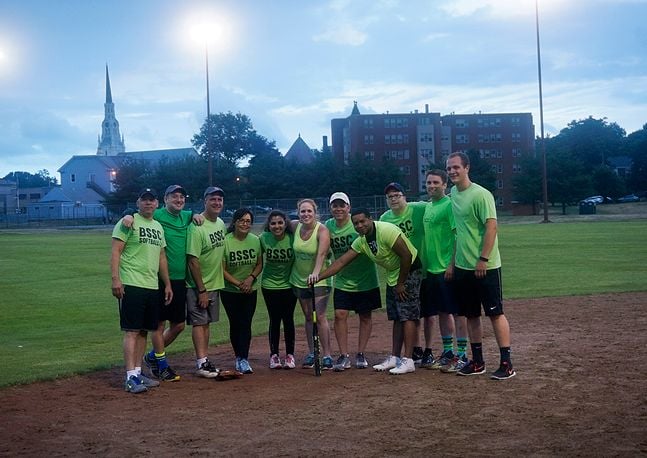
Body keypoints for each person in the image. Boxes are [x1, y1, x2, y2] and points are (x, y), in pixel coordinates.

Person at [310, 208, 422, 375]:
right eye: (356, 223)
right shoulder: (362, 241)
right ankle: (395, 357)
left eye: (363, 221)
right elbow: (341, 262)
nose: (360, 225)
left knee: (407, 315)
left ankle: (408, 360)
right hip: (394, 275)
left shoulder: (386, 230)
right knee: (397, 316)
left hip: (409, 271)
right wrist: (318, 277)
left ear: (370, 219)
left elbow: (406, 255)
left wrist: (401, 283)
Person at [122, 184, 204, 382]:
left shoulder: (186, 216)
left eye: (181, 197)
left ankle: (151, 357)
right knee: (157, 325)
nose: (178, 200)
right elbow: (141, 211)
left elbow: (192, 213)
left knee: (178, 325)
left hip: (178, 279)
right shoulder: (157, 214)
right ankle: (161, 364)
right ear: (165, 200)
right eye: (174, 196)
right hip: (157, 279)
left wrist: (195, 214)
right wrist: (128, 214)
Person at [446, 151, 516, 380]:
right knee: (471, 315)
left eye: (456, 167)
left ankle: (506, 363)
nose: (452, 172)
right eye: (449, 168)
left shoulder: (481, 194)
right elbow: (458, 233)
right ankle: (477, 362)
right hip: (463, 266)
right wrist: (454, 263)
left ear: (467, 168)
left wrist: (483, 259)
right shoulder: (453, 194)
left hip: (485, 266)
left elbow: (492, 227)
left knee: (495, 313)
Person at [110, 188, 172, 393]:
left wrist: (168, 283)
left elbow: (162, 257)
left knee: (145, 331)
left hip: (151, 285)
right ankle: (129, 377)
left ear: (156, 204)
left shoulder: (158, 226)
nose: (148, 203)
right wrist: (116, 279)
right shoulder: (128, 222)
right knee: (132, 331)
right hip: (132, 283)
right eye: (144, 200)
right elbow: (116, 251)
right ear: (138, 202)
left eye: (151, 200)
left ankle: (137, 373)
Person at [324, 192, 381, 371]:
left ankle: (361, 353)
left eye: (342, 205)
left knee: (365, 316)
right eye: (335, 205)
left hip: (366, 279)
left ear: (348, 207)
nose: (338, 209)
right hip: (342, 279)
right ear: (330, 208)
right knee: (340, 314)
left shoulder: (357, 223)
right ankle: (343, 355)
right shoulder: (328, 226)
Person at [420, 170, 469, 372]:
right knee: (441, 311)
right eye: (428, 182)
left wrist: (451, 264)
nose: (431, 186)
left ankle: (463, 355)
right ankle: (448, 352)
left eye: (436, 182)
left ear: (444, 185)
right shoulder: (428, 206)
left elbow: (457, 236)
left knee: (457, 312)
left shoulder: (449, 205)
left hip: (446, 268)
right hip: (431, 269)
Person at [379, 182, 428, 366]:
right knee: (403, 314)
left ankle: (417, 351)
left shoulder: (417, 209)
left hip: (417, 268)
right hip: (396, 272)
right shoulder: (384, 218)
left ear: (404, 196)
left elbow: (438, 204)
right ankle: (410, 351)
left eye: (396, 195)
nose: (393, 199)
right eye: (390, 197)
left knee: (415, 313)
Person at [185, 186, 227, 378]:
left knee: (206, 322)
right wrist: (201, 289)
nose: (217, 203)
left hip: (214, 284)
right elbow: (193, 260)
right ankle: (201, 362)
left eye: (219, 199)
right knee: (199, 323)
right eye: (213, 199)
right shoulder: (197, 227)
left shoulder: (220, 224)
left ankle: (205, 359)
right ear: (205, 202)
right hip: (197, 285)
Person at [288, 199, 334, 370]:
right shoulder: (294, 226)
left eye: (309, 211)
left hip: (319, 279)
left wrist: (315, 273)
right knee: (308, 316)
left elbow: (321, 254)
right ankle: (312, 352)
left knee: (320, 316)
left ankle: (327, 354)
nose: (306, 214)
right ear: (298, 213)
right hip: (298, 279)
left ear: (315, 213)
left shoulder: (321, 230)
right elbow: (275, 225)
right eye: (302, 211)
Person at [221, 208, 263, 374]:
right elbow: (221, 269)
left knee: (246, 323)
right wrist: (239, 283)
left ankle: (243, 358)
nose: (245, 224)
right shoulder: (226, 241)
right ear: (235, 222)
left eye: (248, 221)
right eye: (242, 220)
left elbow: (259, 264)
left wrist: (250, 279)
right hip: (230, 290)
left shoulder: (255, 240)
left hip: (250, 289)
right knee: (235, 323)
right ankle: (238, 356)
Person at [259, 210, 297, 369]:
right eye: (273, 223)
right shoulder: (263, 238)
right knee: (274, 319)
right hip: (269, 285)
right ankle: (274, 355)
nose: (277, 226)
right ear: (269, 225)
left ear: (285, 223)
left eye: (280, 222)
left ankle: (290, 355)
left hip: (289, 285)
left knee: (288, 319)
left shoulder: (293, 238)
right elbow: (257, 261)